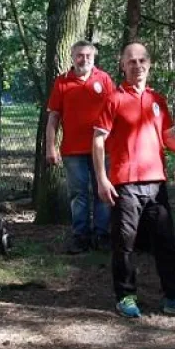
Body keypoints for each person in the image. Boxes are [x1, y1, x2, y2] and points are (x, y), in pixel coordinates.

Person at [92, 42, 175, 320]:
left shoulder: (157, 100)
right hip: (125, 184)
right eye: (131, 61)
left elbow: (169, 140)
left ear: (150, 63)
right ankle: (125, 296)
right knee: (125, 244)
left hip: (156, 184)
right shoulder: (113, 99)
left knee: (166, 244)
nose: (137, 65)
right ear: (122, 66)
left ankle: (174, 296)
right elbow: (98, 140)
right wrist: (101, 179)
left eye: (142, 60)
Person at [45, 40, 116, 253]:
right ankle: (80, 236)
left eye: (88, 56)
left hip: (102, 148)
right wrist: (51, 147)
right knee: (78, 194)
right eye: (79, 55)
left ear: (94, 58)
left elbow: (116, 112)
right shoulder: (62, 82)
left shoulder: (104, 79)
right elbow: (53, 118)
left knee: (103, 192)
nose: (84, 59)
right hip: (72, 150)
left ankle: (102, 234)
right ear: (72, 57)